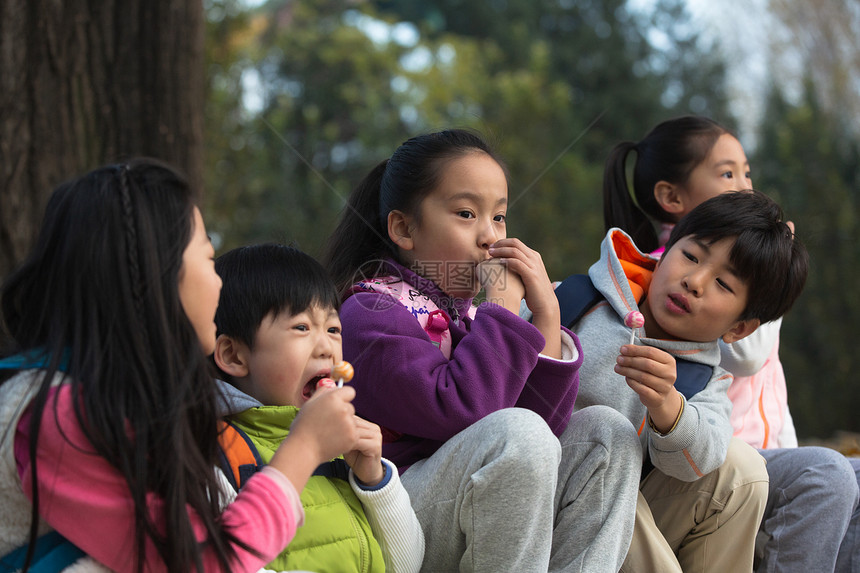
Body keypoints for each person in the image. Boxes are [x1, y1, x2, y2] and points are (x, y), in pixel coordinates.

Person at [0, 159, 364, 572]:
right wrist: (305, 448)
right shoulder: (53, 412)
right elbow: (201, 563)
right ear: (158, 277)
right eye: (208, 259)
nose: (219, 283)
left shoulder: (125, 399)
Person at [323, 128, 643, 572]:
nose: (489, 238)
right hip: (398, 513)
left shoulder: (471, 318)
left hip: (469, 493)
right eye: (467, 213)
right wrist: (504, 311)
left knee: (607, 435)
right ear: (403, 228)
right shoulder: (370, 310)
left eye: (499, 217)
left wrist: (547, 316)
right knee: (518, 434)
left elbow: (543, 431)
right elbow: (464, 411)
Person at [603, 115, 860, 572]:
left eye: (746, 172)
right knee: (825, 474)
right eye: (727, 174)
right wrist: (767, 285)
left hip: (747, 449)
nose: (745, 187)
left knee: (847, 476)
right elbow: (744, 355)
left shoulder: (712, 270)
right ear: (672, 198)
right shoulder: (663, 271)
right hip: (711, 456)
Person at [562, 190, 810, 571]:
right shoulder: (575, 301)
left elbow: (701, 458)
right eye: (690, 256)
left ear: (740, 329)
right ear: (666, 252)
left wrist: (668, 407)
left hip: (629, 518)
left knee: (744, 472)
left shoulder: (705, 379)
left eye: (723, 284)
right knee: (608, 438)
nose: (694, 280)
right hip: (547, 481)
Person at [211, 243, 424, 572]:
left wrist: (375, 480)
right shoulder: (216, 452)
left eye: (334, 329)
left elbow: (407, 565)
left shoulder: (341, 452)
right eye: (301, 328)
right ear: (234, 356)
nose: (327, 347)